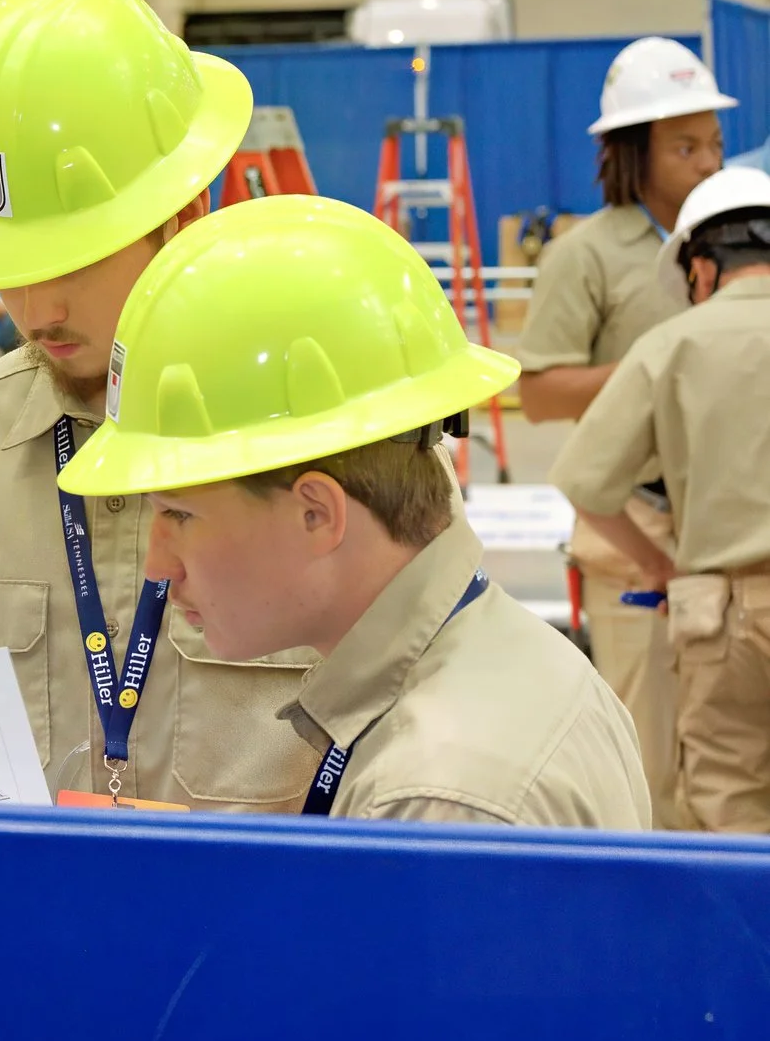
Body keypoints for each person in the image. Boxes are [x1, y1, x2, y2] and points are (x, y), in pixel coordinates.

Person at [0, 0, 319, 810]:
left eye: (74, 257)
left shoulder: (330, 440)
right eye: (7, 270)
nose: (35, 310)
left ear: (184, 211)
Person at [61, 196, 648, 829]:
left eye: (179, 515)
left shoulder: (434, 799)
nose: (158, 566)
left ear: (317, 513)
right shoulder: (516, 661)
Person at [515, 36, 730, 826]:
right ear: (632, 153)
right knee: (653, 756)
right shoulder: (587, 256)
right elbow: (537, 392)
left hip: (726, 522)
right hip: (631, 527)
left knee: (730, 751)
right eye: (685, 145)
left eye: (713, 143)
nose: (707, 161)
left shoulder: (736, 246)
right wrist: (660, 369)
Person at [554, 167, 770, 832]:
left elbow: (585, 481)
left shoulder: (670, 345)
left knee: (730, 810)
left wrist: (660, 567)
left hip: (723, 618)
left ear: (701, 269)